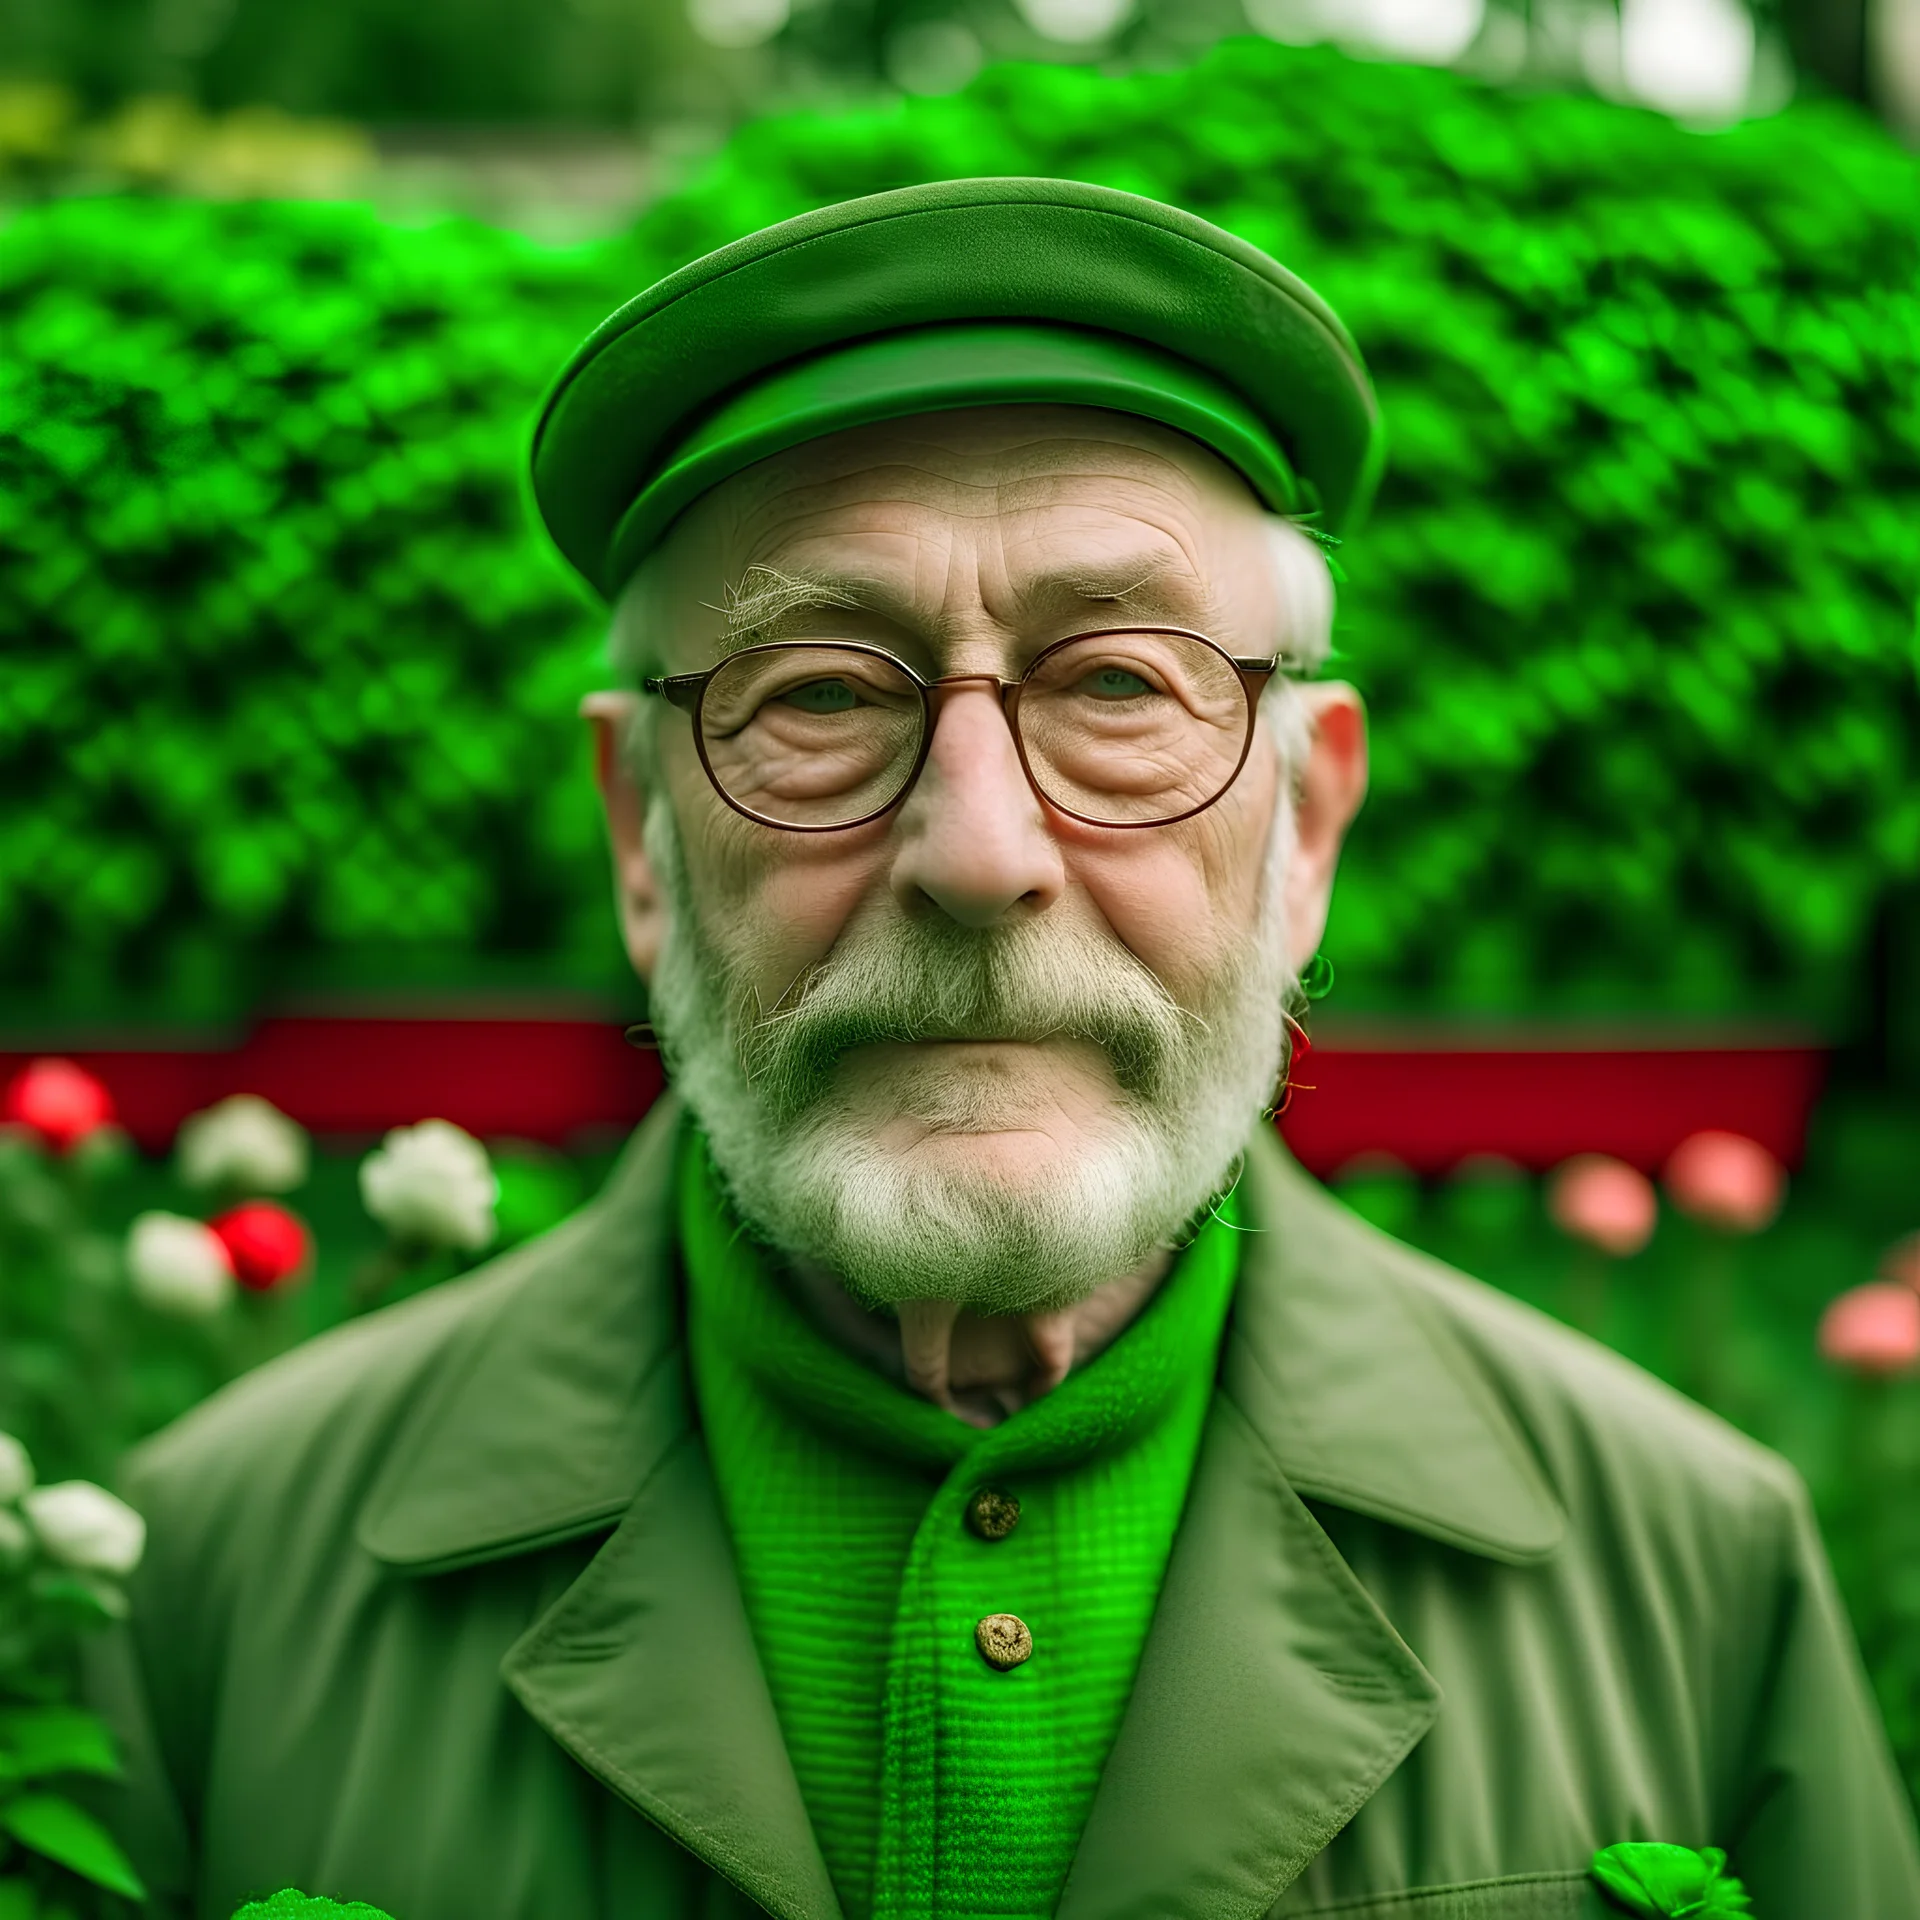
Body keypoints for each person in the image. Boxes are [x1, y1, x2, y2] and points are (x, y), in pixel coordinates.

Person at [94, 179, 1920, 1920]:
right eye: (816, 693)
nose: (978, 854)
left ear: (1302, 828)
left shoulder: (1703, 1577)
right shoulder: (202, 1588)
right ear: (644, 839)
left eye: (1120, 684)